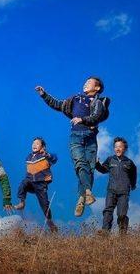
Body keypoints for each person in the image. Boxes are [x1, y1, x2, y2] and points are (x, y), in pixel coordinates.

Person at [35, 77, 110, 216]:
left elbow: (97, 116)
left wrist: (82, 119)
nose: (86, 83)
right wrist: (44, 95)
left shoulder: (99, 102)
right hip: (76, 136)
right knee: (80, 164)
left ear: (97, 88)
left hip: (91, 137)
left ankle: (81, 197)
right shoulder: (75, 99)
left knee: (90, 168)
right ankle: (87, 192)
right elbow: (58, 104)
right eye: (85, 82)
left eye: (89, 82)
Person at [14, 137, 58, 232]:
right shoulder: (28, 157)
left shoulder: (45, 156)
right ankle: (22, 202)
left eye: (37, 143)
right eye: (33, 143)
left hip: (41, 184)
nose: (34, 145)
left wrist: (47, 154)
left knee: (44, 204)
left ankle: (50, 222)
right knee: (24, 183)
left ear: (43, 147)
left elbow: (54, 159)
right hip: (30, 182)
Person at [95, 137, 137, 233]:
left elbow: (133, 175)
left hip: (123, 192)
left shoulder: (129, 163)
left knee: (121, 214)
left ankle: (122, 234)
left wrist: (133, 184)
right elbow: (103, 170)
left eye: (120, 147)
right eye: (115, 147)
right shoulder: (110, 159)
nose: (117, 149)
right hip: (111, 190)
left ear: (125, 149)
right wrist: (97, 164)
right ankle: (105, 232)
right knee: (107, 211)